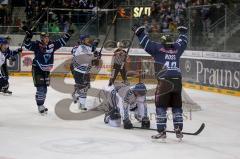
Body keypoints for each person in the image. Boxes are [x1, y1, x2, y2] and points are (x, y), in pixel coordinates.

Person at [132, 24, 188, 140]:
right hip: (177, 81)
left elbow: (145, 43)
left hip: (164, 82)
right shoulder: (177, 48)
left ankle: (162, 131)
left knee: (161, 107)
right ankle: (178, 128)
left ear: (162, 42)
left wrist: (139, 32)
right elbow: (183, 42)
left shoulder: (157, 48)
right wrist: (183, 32)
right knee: (177, 106)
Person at [23, 31, 71, 114]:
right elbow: (27, 45)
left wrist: (68, 35)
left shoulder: (52, 45)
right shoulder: (37, 45)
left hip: (46, 71)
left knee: (44, 90)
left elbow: (61, 41)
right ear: (41, 38)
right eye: (45, 38)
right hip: (37, 69)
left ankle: (41, 104)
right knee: (40, 88)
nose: (47, 39)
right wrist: (28, 37)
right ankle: (40, 106)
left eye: (47, 37)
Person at [71, 35, 101, 110]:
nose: (88, 40)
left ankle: (79, 97)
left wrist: (98, 56)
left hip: (86, 71)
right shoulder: (80, 47)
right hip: (79, 70)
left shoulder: (90, 47)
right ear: (82, 41)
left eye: (88, 39)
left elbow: (93, 56)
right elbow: (84, 57)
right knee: (83, 87)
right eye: (86, 39)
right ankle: (81, 102)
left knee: (85, 87)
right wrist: (94, 55)